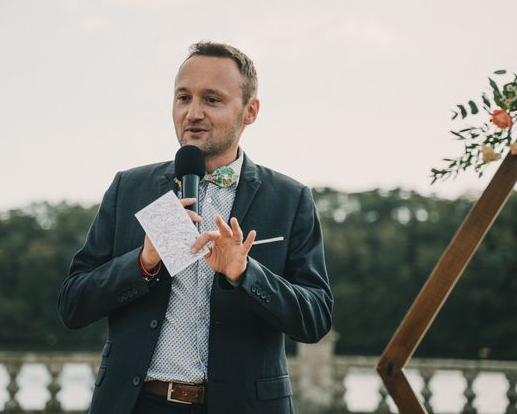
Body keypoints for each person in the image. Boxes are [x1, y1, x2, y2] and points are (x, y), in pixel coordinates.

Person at [57, 42, 333, 414]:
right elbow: (73, 305)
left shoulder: (289, 198)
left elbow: (315, 318)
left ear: (250, 111)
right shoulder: (129, 188)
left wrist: (245, 273)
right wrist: (143, 262)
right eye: (183, 97)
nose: (193, 113)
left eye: (212, 99)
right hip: (136, 405)